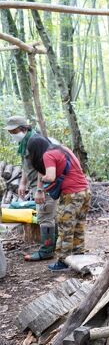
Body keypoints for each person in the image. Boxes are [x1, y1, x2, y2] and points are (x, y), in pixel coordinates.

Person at [26, 137, 91, 271]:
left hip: (71, 194)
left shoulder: (47, 155)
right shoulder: (63, 149)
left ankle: (63, 261)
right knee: (78, 226)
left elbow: (50, 176)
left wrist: (42, 181)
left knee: (65, 228)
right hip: (85, 191)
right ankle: (79, 256)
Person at [4, 116, 57, 261]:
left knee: (45, 217)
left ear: (22, 128)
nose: (12, 134)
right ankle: (53, 246)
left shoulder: (35, 141)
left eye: (13, 131)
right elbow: (27, 166)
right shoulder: (25, 142)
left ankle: (46, 251)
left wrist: (40, 189)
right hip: (34, 184)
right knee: (46, 215)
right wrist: (22, 183)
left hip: (44, 184)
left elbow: (44, 166)